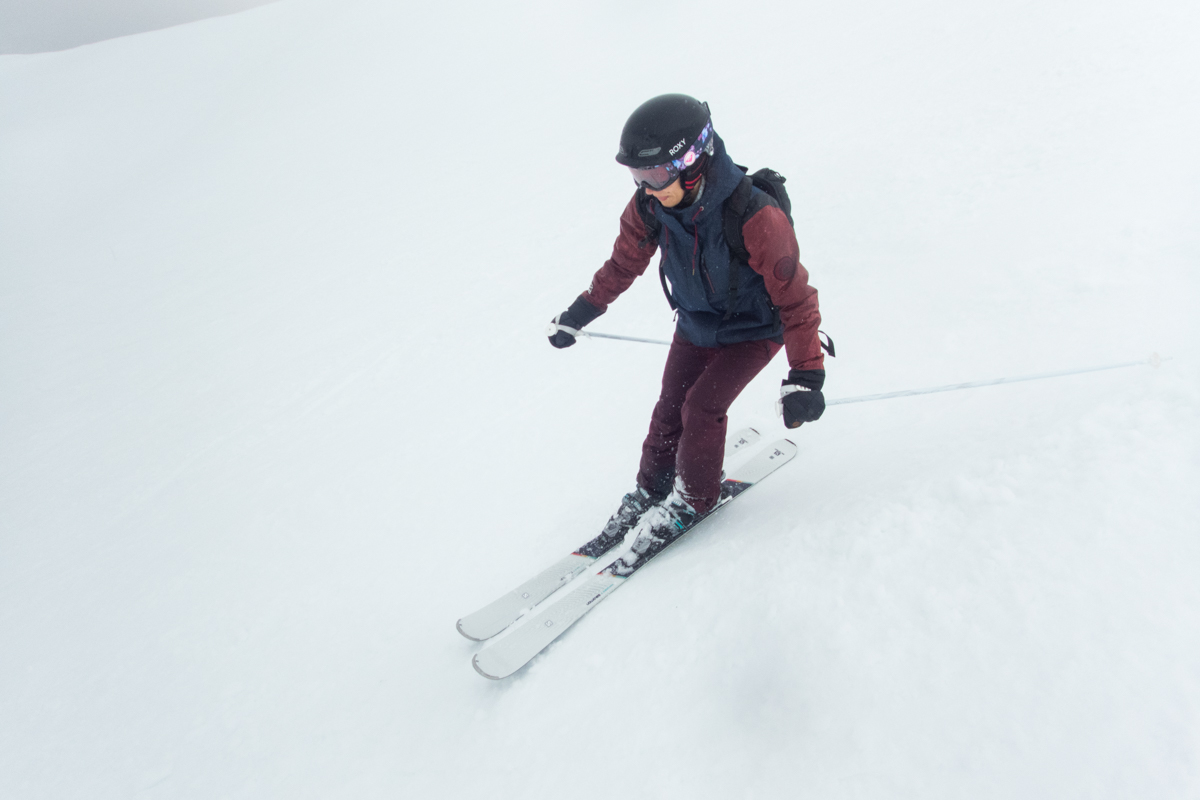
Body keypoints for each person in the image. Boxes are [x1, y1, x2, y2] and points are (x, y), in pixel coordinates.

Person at [547, 93, 826, 546]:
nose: (646, 187)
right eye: (638, 176)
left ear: (692, 160)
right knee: (669, 409)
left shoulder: (755, 215)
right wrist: (583, 310)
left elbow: (796, 301)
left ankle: (695, 500)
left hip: (754, 331)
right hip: (696, 323)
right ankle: (652, 489)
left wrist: (806, 378)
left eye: (655, 174)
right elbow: (623, 263)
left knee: (701, 408)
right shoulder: (651, 206)